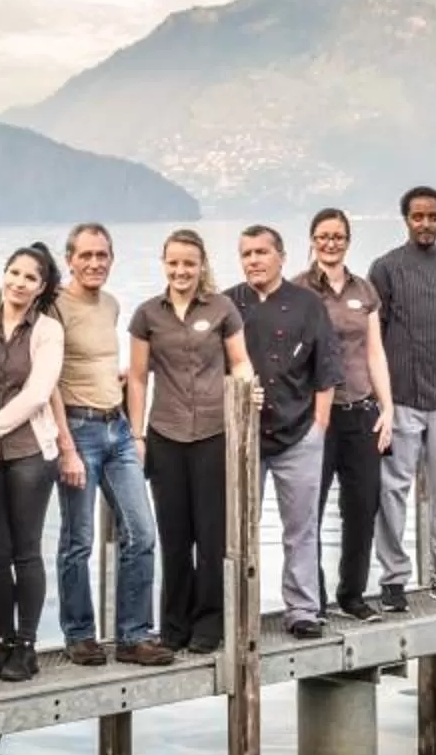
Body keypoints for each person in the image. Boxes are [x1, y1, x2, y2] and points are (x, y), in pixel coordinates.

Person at [128, 228, 250, 654]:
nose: (181, 271)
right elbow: (139, 378)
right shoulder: (147, 315)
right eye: (174, 263)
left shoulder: (222, 308)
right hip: (166, 434)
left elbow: (240, 364)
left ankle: (209, 623)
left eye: (189, 263)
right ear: (164, 264)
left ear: (201, 266)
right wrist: (136, 433)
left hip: (215, 434)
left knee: (212, 534)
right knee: (175, 535)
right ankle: (174, 625)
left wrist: (250, 401)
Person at [53, 223, 168, 666]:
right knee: (78, 538)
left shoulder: (112, 305)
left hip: (116, 428)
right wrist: (65, 444)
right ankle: (79, 634)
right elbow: (48, 381)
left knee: (141, 532)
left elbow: (100, 360)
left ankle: (133, 635)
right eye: (86, 255)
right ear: (70, 259)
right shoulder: (55, 309)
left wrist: (117, 381)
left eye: (102, 255)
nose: (95, 263)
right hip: (79, 429)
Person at [232, 226, 339, 638]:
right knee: (240, 529)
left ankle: (302, 609)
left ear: (281, 256)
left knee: (301, 527)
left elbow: (326, 368)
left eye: (262, 252)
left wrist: (319, 427)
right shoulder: (229, 304)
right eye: (247, 253)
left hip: (299, 433)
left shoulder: (308, 304)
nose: (254, 260)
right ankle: (242, 611)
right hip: (245, 437)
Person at [370, 186, 436, 607]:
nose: (426, 223)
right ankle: (393, 579)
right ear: (406, 219)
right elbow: (372, 335)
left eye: (432, 216)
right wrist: (383, 399)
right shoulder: (386, 269)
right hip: (403, 398)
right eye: (418, 216)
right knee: (391, 491)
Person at [0, 244, 66, 680]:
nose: (19, 283)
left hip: (29, 452)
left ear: (40, 287)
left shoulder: (47, 331)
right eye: (14, 273)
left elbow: (37, 393)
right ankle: (2, 642)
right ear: (3, 274)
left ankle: (26, 646)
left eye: (30, 278)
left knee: (25, 550)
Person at [301, 207, 395, 621]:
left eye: (337, 236)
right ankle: (312, 599)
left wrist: (387, 407)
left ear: (347, 241)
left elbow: (375, 352)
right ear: (312, 240)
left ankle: (353, 594)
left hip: (361, 411)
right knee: (310, 510)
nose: (330, 242)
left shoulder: (365, 290)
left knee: (362, 505)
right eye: (323, 236)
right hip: (316, 417)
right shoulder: (299, 290)